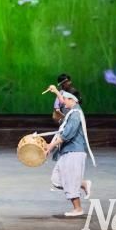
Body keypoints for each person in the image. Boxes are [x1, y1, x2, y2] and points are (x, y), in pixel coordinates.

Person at [45, 84, 95, 217]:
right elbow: (63, 100)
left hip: (74, 152)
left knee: (70, 181)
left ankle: (78, 209)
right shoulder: (72, 110)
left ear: (72, 100)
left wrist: (51, 146)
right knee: (57, 179)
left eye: (65, 100)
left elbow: (67, 134)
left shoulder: (75, 115)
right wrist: (56, 91)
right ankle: (83, 184)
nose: (63, 103)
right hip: (67, 152)